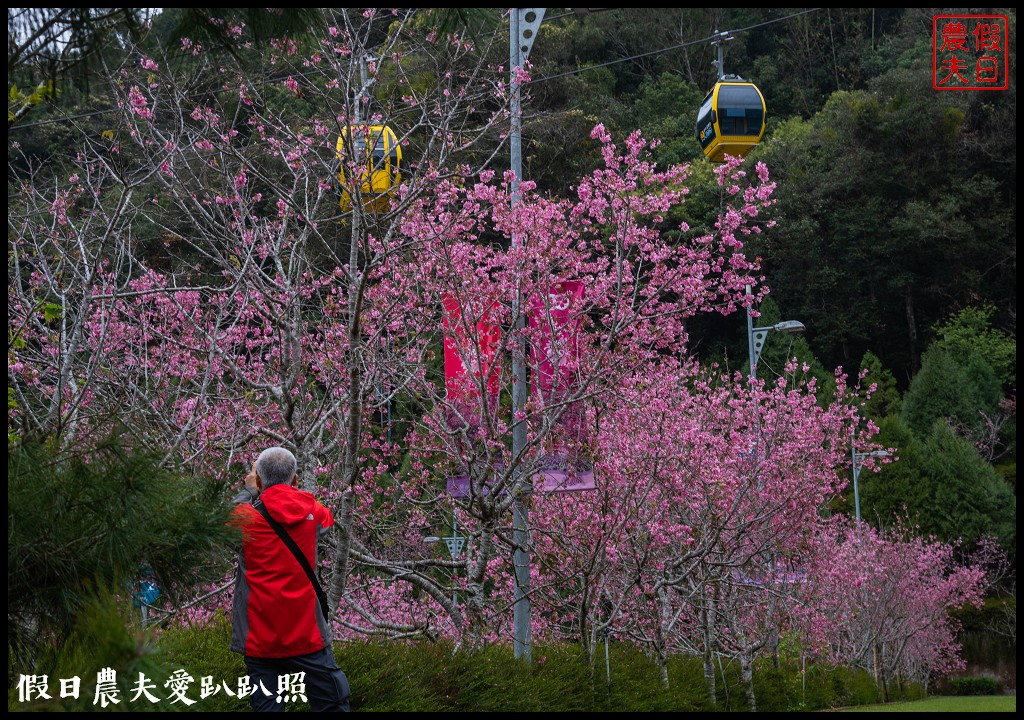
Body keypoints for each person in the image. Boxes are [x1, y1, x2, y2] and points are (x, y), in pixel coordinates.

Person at [229, 446, 350, 712]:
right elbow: (327, 522)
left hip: (261, 640)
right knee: (333, 703)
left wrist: (250, 490)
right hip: (307, 635)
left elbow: (221, 522)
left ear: (258, 480)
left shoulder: (244, 518)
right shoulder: (313, 512)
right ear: (295, 479)